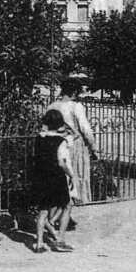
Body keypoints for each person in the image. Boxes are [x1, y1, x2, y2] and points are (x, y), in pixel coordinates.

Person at [46, 78, 99, 206]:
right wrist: (93, 147)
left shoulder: (52, 106)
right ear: (75, 92)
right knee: (77, 172)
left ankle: (60, 202)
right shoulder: (76, 107)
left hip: (56, 143)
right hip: (75, 144)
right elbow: (85, 129)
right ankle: (77, 200)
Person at [31, 109, 76, 253]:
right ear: (59, 124)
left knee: (43, 210)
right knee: (67, 205)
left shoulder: (39, 138)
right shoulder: (60, 141)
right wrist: (71, 175)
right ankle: (60, 240)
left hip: (40, 176)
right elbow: (61, 163)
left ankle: (39, 243)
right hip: (56, 176)